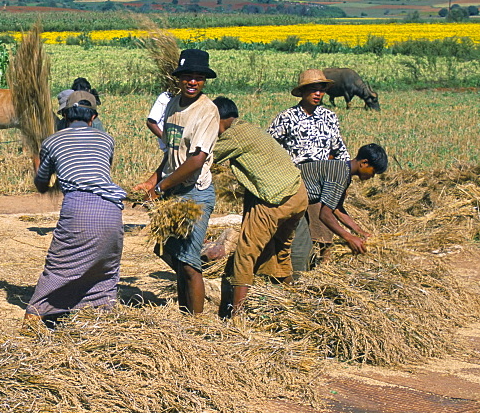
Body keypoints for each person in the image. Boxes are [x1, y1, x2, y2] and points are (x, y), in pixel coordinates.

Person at [24, 99, 125, 324]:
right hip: (112, 210)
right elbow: (98, 173)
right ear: (92, 119)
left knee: (60, 267)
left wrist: (37, 162)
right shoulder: (107, 139)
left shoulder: (52, 141)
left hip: (80, 208)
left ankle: (33, 321)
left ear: (65, 117)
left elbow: (42, 183)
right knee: (104, 271)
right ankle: (101, 320)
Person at [134, 49, 219, 314]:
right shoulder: (172, 105)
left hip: (195, 194)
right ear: (178, 79)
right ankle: (185, 311)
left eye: (198, 78)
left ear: (204, 81)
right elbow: (171, 153)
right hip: (173, 191)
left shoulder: (207, 111)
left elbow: (195, 161)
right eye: (187, 77)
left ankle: (195, 323)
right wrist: (151, 181)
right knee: (168, 250)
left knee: (190, 263)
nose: (192, 82)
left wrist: (161, 188)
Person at [211, 97, 308, 318]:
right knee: (280, 248)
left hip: (277, 199)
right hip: (298, 194)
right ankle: (294, 304)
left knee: (246, 253)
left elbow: (203, 157)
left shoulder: (232, 135)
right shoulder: (249, 129)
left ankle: (237, 316)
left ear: (219, 119)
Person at [292, 143, 388, 271]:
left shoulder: (342, 170)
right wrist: (349, 238)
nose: (372, 176)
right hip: (288, 200)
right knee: (301, 249)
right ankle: (292, 284)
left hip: (294, 201)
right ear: (364, 163)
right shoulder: (340, 175)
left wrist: (359, 231)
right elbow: (325, 214)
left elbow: (336, 208)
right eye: (373, 171)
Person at [268, 69, 350, 165]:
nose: (318, 94)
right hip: (295, 174)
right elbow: (269, 146)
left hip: (323, 173)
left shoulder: (329, 117)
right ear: (303, 91)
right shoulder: (287, 117)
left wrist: (345, 171)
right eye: (313, 90)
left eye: (321, 90)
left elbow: (339, 150)